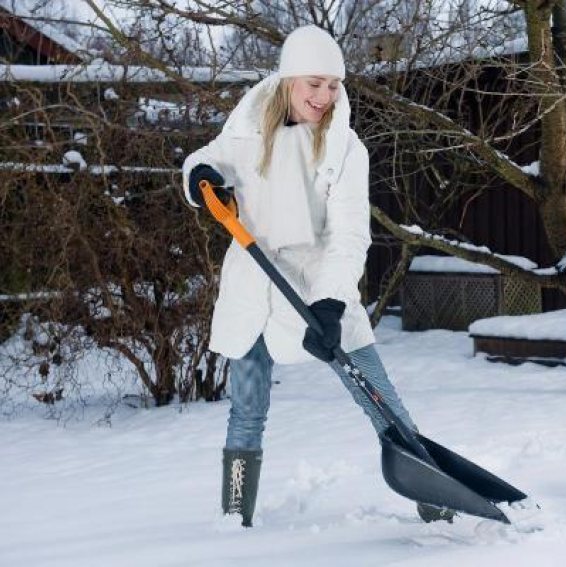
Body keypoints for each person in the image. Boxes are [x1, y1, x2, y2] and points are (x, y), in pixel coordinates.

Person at [181, 25, 452, 527]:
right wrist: (200, 179)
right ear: (288, 79)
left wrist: (329, 301)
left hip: (317, 285)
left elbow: (349, 235)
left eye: (333, 85)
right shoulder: (245, 129)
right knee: (245, 409)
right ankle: (233, 517)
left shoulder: (347, 149)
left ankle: (438, 504)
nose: (324, 96)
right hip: (252, 282)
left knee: (381, 402)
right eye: (314, 83)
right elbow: (208, 160)